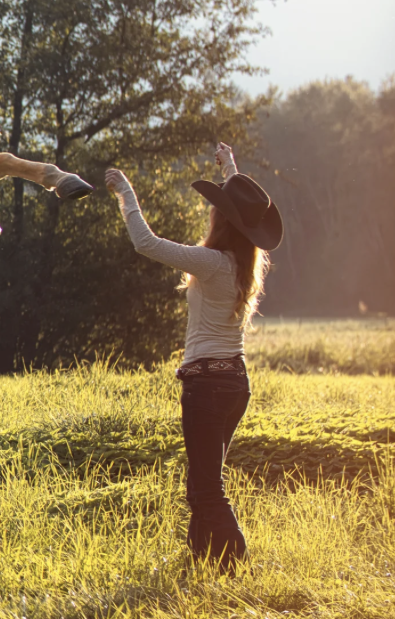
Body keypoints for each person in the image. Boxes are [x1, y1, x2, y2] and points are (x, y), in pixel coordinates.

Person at [104, 144, 283, 572]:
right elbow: (243, 212)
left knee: (206, 487)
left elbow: (145, 243)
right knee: (202, 481)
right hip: (235, 383)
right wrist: (231, 170)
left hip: (206, 386)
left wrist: (125, 193)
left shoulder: (210, 263)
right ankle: (203, 560)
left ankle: (236, 563)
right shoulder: (246, 264)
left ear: (220, 220)